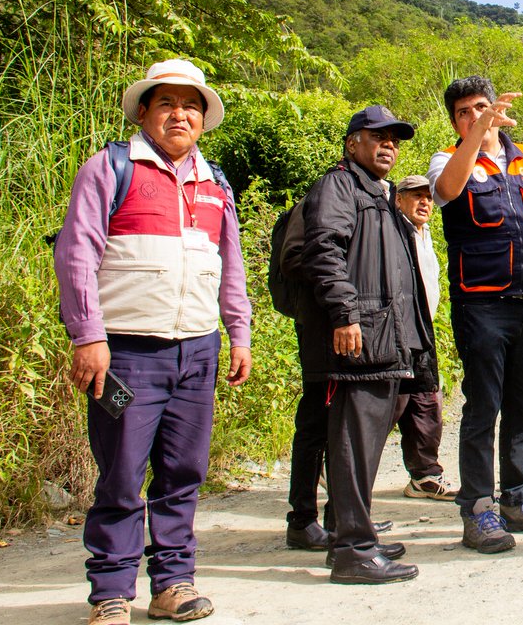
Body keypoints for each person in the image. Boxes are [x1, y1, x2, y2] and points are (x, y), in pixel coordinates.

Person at [54, 58, 252, 625]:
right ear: (144, 112)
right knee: (120, 472)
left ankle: (173, 583)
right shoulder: (110, 168)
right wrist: (88, 336)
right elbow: (77, 255)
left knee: (183, 471)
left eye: (190, 105)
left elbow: (229, 264)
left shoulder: (215, 184)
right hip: (124, 357)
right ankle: (112, 592)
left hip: (197, 352)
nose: (179, 114)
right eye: (166, 103)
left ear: (203, 118)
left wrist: (237, 331)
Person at [427, 75, 523, 554]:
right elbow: (448, 190)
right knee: (482, 407)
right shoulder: (445, 160)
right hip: (481, 305)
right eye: (465, 112)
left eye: (482, 108)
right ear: (455, 121)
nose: (476, 117)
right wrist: (477, 136)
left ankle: (517, 497)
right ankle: (478, 509)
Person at [289, 104, 430, 584]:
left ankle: (353, 533)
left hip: (385, 340)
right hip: (358, 338)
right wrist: (344, 314)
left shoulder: (381, 194)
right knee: (352, 441)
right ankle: (354, 551)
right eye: (377, 137)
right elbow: (322, 249)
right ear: (353, 143)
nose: (388, 145)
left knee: (365, 443)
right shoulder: (339, 185)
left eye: (394, 139)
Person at [392, 174, 455, 501]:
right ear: (398, 199)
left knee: (427, 403)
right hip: (397, 334)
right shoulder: (392, 232)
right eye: (415, 196)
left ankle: (425, 476)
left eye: (428, 197)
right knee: (389, 405)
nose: (424, 202)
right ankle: (336, 468)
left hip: (423, 333)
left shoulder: (424, 232)